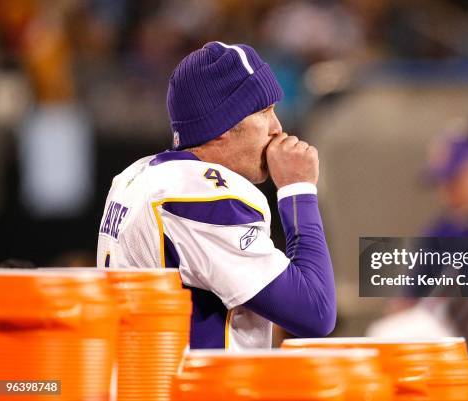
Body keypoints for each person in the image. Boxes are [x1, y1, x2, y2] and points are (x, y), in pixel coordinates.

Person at [96, 41, 336, 350]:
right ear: (221, 124)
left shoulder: (135, 175)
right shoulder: (200, 193)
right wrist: (297, 190)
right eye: (263, 112)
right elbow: (316, 313)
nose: (277, 128)